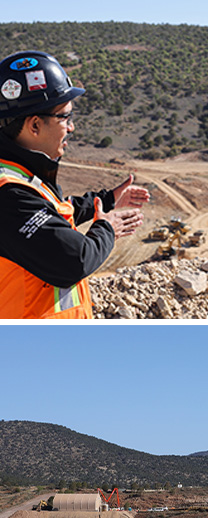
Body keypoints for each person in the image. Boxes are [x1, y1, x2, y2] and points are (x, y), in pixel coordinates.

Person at [0, 50, 147, 319]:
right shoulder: (8, 195)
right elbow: (74, 260)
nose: (72, 127)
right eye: (64, 117)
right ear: (34, 125)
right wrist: (107, 228)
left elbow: (52, 214)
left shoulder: (19, 174)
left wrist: (108, 199)